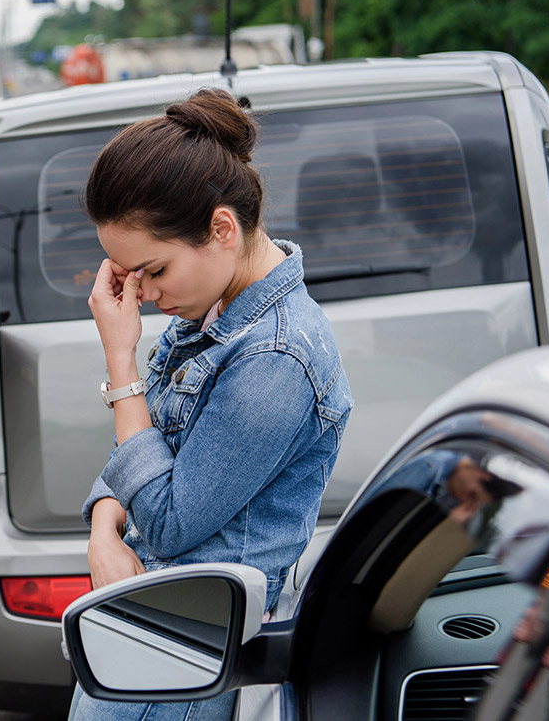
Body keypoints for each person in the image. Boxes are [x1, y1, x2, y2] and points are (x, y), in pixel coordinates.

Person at [71, 89, 353, 721]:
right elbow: (152, 444)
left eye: (153, 270)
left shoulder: (275, 359)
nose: (140, 295)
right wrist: (101, 530)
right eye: (127, 276)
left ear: (222, 229)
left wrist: (121, 363)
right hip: (149, 629)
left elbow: (168, 519)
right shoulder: (216, 313)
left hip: (185, 658)